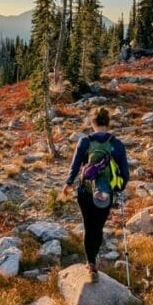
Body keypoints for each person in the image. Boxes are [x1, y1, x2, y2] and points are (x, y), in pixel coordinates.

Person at [62, 106, 129, 282]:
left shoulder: (84, 141)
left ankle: (90, 263)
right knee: (98, 227)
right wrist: (118, 188)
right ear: (108, 122)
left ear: (92, 123)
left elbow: (75, 166)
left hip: (85, 190)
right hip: (105, 193)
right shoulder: (116, 144)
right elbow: (125, 173)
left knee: (88, 226)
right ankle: (94, 259)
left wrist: (68, 183)